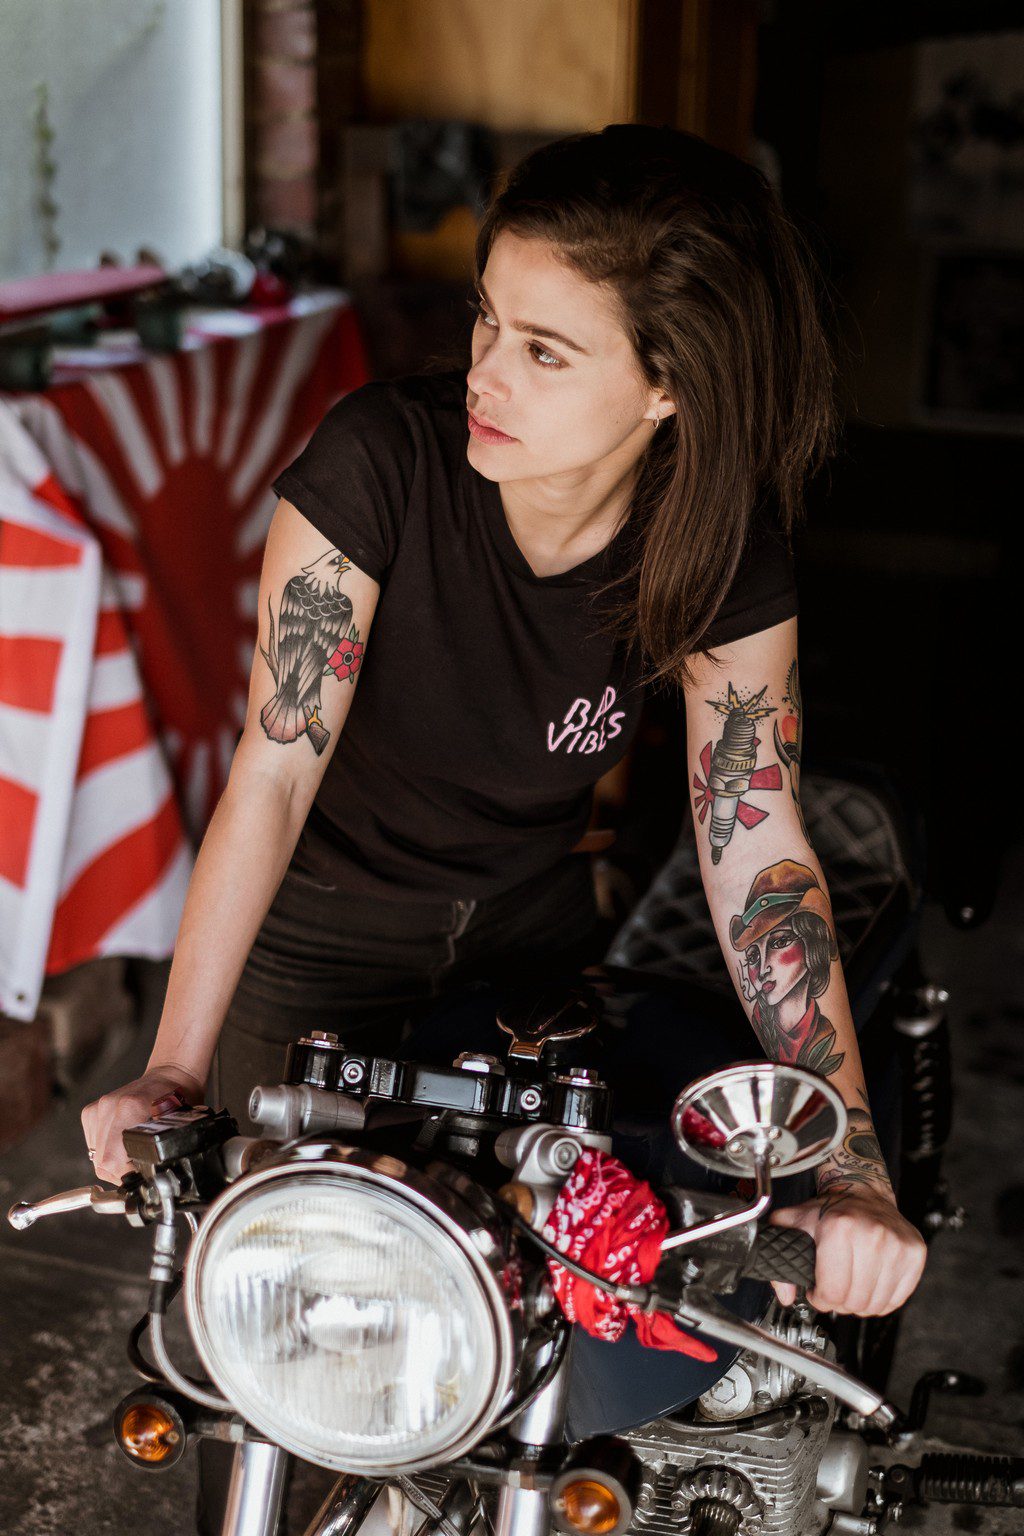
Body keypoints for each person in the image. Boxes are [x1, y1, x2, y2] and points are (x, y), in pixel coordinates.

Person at [83, 125, 925, 1331]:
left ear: (666, 384)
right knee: (277, 1327)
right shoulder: (380, 463)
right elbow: (272, 773)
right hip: (317, 942)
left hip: (521, 955)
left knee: (530, 1316)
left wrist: (848, 1166)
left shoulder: (717, 552)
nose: (485, 373)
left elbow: (752, 845)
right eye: (487, 321)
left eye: (543, 350)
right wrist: (174, 1062)